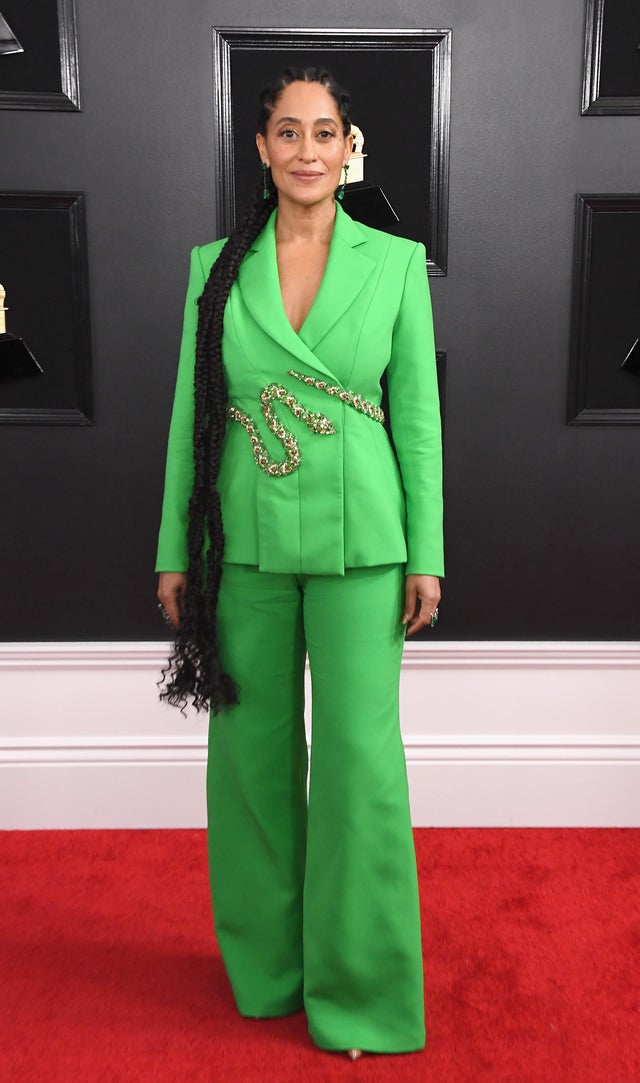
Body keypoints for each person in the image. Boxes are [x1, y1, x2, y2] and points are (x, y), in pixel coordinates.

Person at [156, 66, 443, 1059]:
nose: (308, 149)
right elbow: (189, 421)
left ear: (347, 146)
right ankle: (268, 972)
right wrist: (175, 552)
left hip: (366, 543)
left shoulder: (395, 262)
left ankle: (359, 995)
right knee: (249, 763)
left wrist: (427, 554)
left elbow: (417, 417)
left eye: (325, 132)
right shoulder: (213, 267)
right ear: (262, 149)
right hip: (245, 544)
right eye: (288, 132)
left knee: (360, 767)